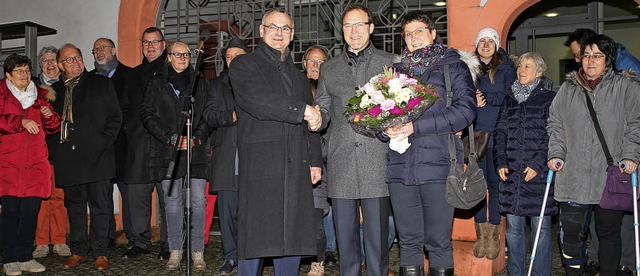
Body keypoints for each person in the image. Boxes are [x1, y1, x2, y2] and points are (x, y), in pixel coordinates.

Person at [382, 11, 478, 276]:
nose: (414, 38)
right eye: (408, 34)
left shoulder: (454, 66)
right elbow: (380, 115)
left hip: (439, 167)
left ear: (433, 33)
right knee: (408, 242)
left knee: (438, 243)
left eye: (419, 31)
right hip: (400, 169)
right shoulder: (395, 73)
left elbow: (466, 110)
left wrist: (415, 126)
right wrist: (384, 129)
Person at [228, 8, 323, 275]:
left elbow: (310, 128)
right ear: (261, 31)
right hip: (261, 165)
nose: (279, 33)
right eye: (273, 27)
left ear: (292, 35)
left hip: (295, 165)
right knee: (257, 237)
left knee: (292, 237)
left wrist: (315, 161)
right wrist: (303, 110)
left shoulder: (298, 76)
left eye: (285, 29)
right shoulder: (244, 65)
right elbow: (258, 101)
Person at [548, 34, 640, 276]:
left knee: (609, 232)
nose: (590, 61)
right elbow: (555, 123)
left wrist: (631, 155)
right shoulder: (568, 90)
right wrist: (556, 153)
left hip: (609, 176)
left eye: (597, 56)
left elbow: (636, 124)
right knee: (571, 235)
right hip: (573, 175)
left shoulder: (626, 87)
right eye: (586, 55)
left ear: (608, 60)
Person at [314, 4, 395, 276]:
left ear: (371, 28)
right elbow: (324, 108)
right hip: (341, 162)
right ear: (342, 31)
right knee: (346, 244)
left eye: (360, 24)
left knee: (377, 243)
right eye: (348, 25)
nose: (354, 31)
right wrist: (318, 118)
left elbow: (399, 109)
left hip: (377, 161)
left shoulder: (390, 63)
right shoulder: (329, 68)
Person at [48, 43, 122, 271]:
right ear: (61, 65)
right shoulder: (53, 92)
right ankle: (79, 250)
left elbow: (115, 117)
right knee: (75, 207)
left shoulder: (101, 83)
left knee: (100, 207)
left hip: (97, 157)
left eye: (78, 57)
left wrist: (103, 143)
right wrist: (55, 151)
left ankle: (101, 252)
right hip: (69, 160)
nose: (75, 62)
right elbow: (49, 125)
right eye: (69, 60)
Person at [141, 41, 212, 271]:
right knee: (172, 204)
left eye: (186, 54)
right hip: (167, 151)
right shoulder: (156, 84)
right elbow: (148, 115)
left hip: (196, 151)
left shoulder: (200, 83)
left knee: (199, 203)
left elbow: (207, 114)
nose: (182, 58)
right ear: (168, 57)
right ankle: (175, 251)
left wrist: (195, 138)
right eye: (177, 54)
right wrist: (171, 138)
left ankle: (197, 251)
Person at [493, 52, 556, 276]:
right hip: (511, 175)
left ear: (539, 72)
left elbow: (553, 135)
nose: (521, 70)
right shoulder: (509, 97)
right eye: (520, 66)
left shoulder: (549, 98)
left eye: (527, 66)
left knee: (541, 231)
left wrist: (539, 164)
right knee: (514, 231)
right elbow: (500, 131)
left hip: (537, 176)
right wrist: (500, 161)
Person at [0, 54, 61, 276]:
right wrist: (20, 122)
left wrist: (48, 117)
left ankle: (26, 255)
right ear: (8, 75)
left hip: (35, 163)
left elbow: (54, 127)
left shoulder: (40, 95)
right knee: (10, 211)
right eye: (19, 71)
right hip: (9, 163)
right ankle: (9, 257)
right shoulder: (1, 95)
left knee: (30, 210)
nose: (25, 75)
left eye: (26, 70)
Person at [122, 26, 171, 261]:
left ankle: (168, 244)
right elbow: (122, 109)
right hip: (137, 144)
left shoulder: (172, 72)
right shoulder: (131, 75)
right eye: (146, 43)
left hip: (164, 144)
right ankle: (139, 242)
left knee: (168, 197)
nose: (150, 46)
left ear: (163, 45)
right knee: (137, 196)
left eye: (155, 42)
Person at [202, 37, 249, 275]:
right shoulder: (214, 86)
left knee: (251, 212)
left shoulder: (258, 83)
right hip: (227, 157)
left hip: (254, 156)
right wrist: (230, 116)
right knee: (228, 213)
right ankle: (230, 257)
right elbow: (208, 116)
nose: (233, 60)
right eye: (229, 57)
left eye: (237, 55)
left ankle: (250, 257)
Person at [470, 27, 516, 260]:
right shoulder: (467, 65)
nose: (486, 44)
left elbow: (511, 96)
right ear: (477, 44)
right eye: (482, 41)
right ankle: (481, 235)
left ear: (496, 45)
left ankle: (494, 235)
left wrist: (483, 96)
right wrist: (471, 100)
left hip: (498, 134)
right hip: (475, 133)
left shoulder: (507, 68)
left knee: (496, 185)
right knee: (477, 185)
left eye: (491, 41)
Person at [90, 37, 133, 247]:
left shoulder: (129, 75)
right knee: (102, 192)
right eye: (95, 50)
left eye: (103, 48)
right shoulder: (89, 79)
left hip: (124, 143)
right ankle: (105, 235)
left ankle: (131, 234)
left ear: (113, 51)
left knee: (128, 191)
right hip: (99, 145)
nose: (99, 52)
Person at [31, 46, 72, 259]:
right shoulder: (30, 88)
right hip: (37, 151)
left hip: (61, 150)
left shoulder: (68, 86)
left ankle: (59, 240)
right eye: (45, 60)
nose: (49, 64)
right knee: (40, 198)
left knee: (58, 197)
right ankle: (41, 242)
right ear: (40, 64)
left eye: (52, 60)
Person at [302, 44, 333, 276]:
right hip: (295, 163)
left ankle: (319, 260)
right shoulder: (296, 87)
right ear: (304, 64)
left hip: (321, 165)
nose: (315, 65)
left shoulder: (330, 93)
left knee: (316, 215)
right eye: (311, 61)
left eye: (320, 61)